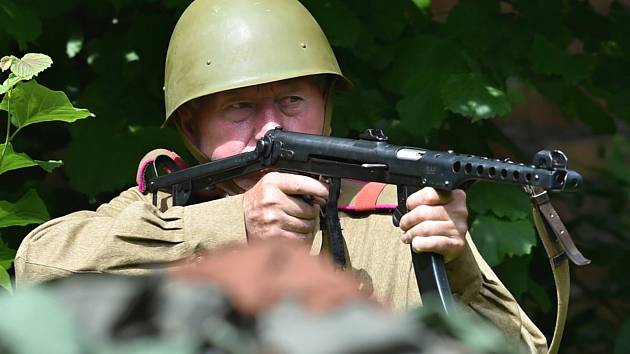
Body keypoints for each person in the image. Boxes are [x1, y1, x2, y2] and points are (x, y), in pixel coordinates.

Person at [14, 0, 547, 352]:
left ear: (325, 106)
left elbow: (523, 348)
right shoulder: (168, 209)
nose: (271, 129)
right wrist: (230, 224)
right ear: (191, 126)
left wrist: (458, 274)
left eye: (292, 100)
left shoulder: (395, 212)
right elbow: (37, 268)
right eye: (240, 107)